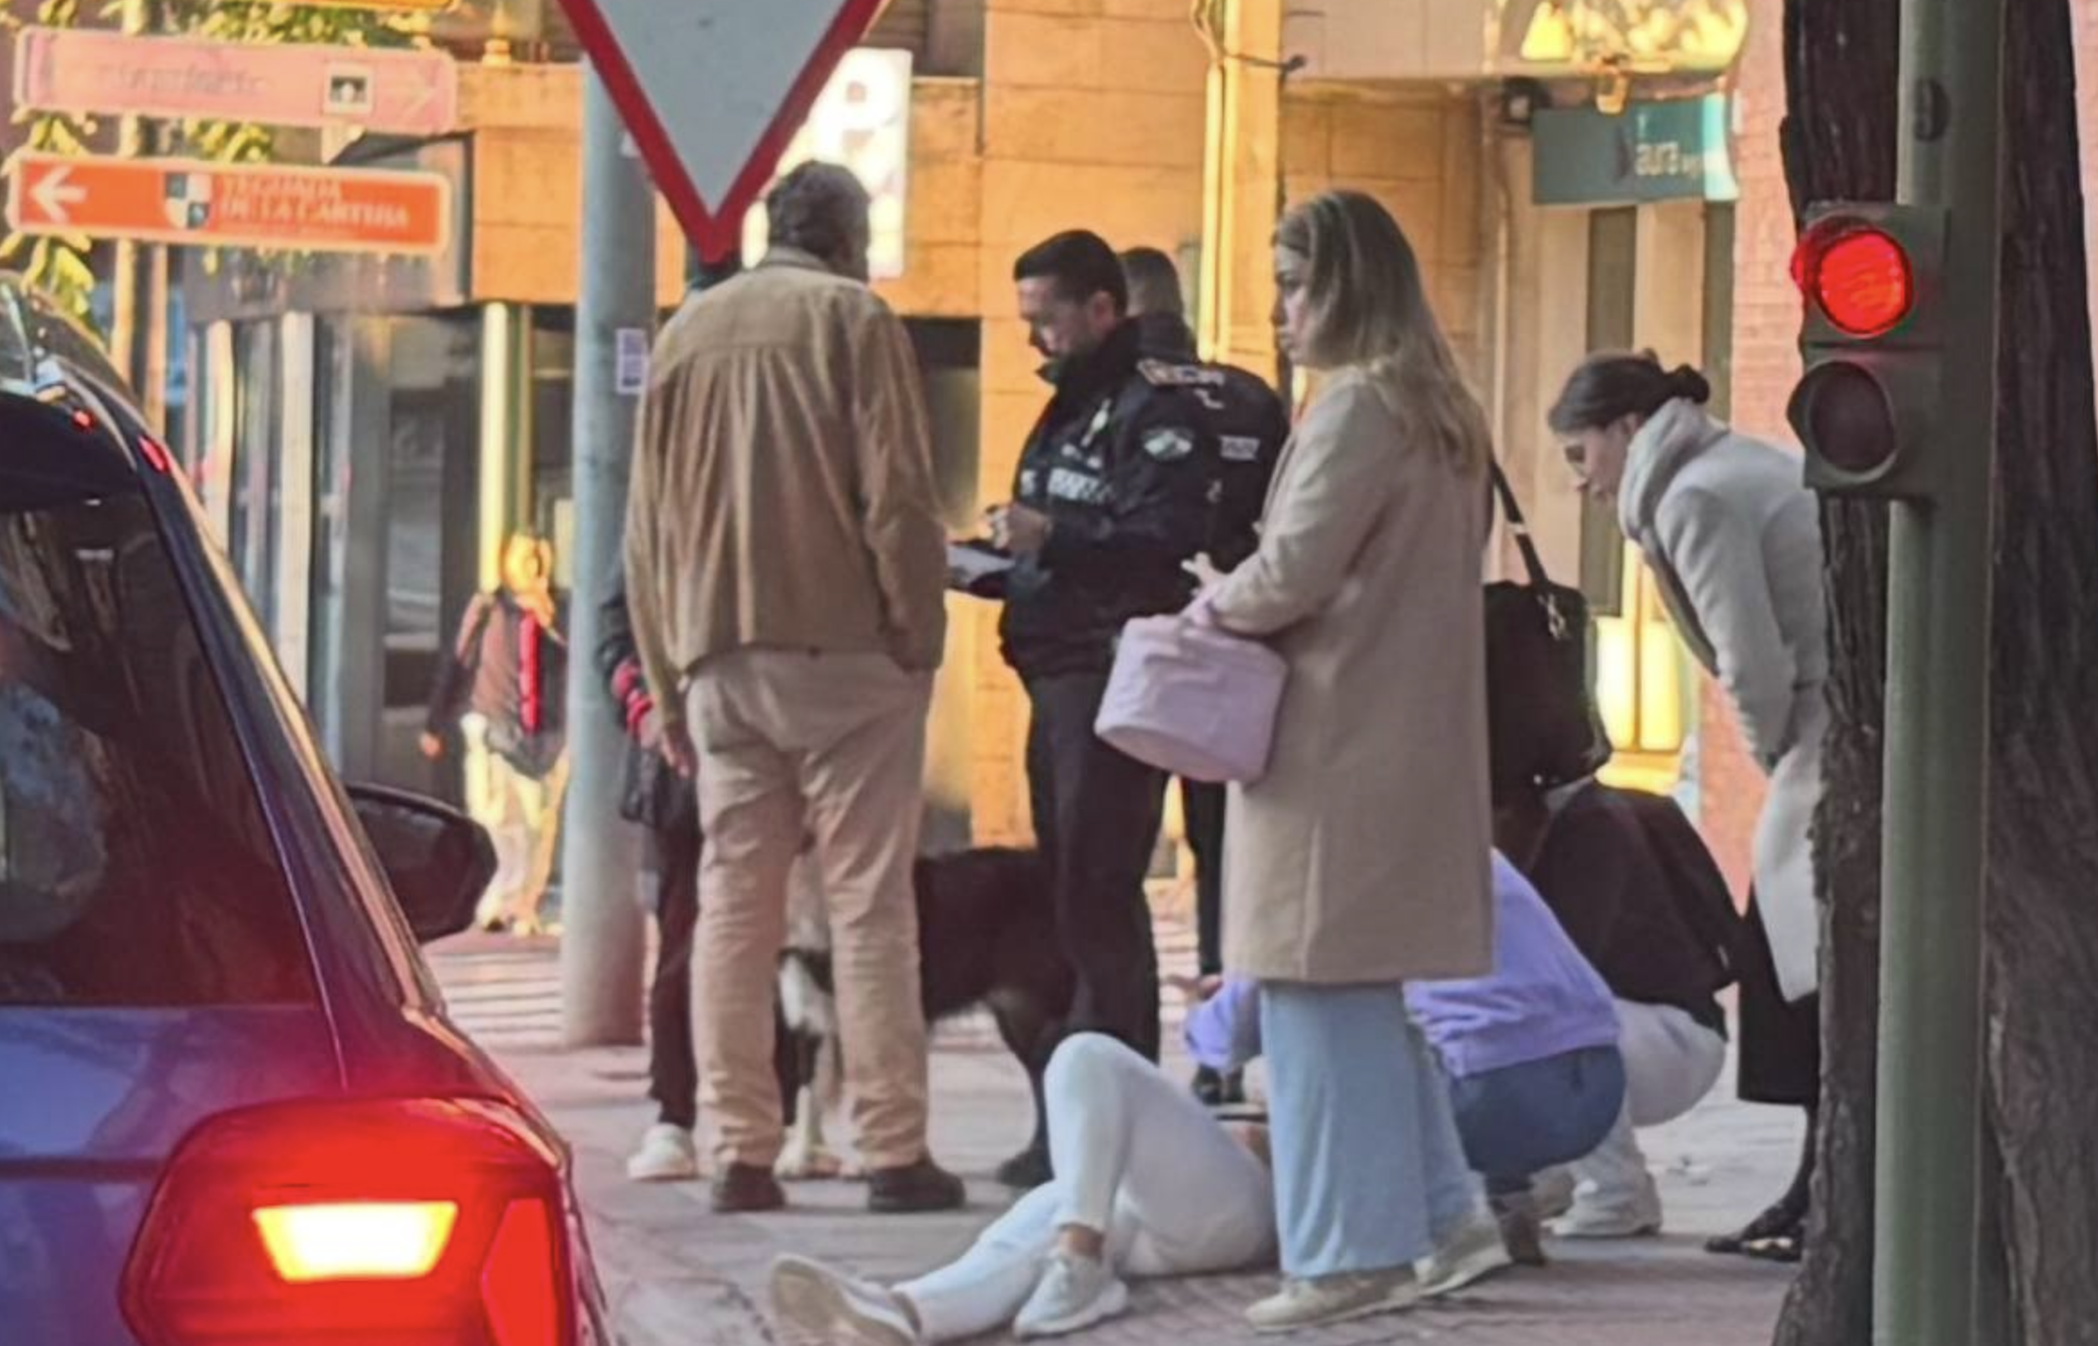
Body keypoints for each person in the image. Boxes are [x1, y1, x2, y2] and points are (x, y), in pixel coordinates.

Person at [623, 161, 962, 1215]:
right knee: (867, 905)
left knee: (735, 905)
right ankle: (892, 1148)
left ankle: (738, 1149)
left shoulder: (685, 335)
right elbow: (898, 498)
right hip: (850, 655)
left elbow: (644, 532)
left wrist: (670, 681)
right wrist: (919, 634)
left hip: (718, 658)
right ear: (852, 239)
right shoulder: (855, 321)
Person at [1189, 190, 1498, 1332]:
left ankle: (1346, 1252)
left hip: (1330, 742)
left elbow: (1291, 573)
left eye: (1296, 281)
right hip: (1408, 741)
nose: (1280, 308)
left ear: (1348, 286)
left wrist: (1216, 597)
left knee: (1314, 997)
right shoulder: (1442, 409)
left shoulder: (1355, 407)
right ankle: (1445, 1213)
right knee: (1362, 993)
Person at [1550, 349, 1827, 1261]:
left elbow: (1750, 658)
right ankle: (1816, 1178)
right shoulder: (1716, 469)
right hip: (1835, 717)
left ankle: (1821, 1181)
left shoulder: (1694, 498)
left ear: (1628, 431)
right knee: (1790, 947)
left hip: (1827, 725)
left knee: (1801, 956)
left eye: (1582, 455)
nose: (1583, 483)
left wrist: (1772, 748)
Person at [982, 230, 1218, 1074]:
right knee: (1068, 890)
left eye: (1047, 320)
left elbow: (1164, 539)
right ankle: (1080, 1099)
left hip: (1114, 672)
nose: (1036, 340)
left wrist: (1056, 536)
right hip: (1053, 668)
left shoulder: (1154, 408)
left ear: (1103, 309)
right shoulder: (1069, 404)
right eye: (1026, 322)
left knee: (1098, 886)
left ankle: (1117, 1090)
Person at [1187, 849, 1626, 1267]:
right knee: (1464, 1023)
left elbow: (1230, 1032)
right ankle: (1509, 1201)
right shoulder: (1469, 846)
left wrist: (1201, 1016)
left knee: (1309, 1036)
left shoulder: (1322, 868)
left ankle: (1390, 1239)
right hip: (1601, 1090)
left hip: (1495, 1097)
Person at [768, 1033, 1276, 1344]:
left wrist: (1224, 1002)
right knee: (1059, 1209)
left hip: (1257, 1184)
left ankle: (1082, 1253)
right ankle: (907, 1313)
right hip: (1187, 1206)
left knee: (1087, 1055)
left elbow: (1221, 1031)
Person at [1117, 245, 1290, 1109]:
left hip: (1138, 650)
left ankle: (1123, 1043)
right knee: (1228, 852)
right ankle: (1220, 1048)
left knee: (1116, 852)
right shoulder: (1251, 395)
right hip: (1235, 644)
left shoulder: (1123, 396)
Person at [597, 583, 802, 1183]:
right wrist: (650, 710)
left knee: (789, 945)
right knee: (690, 939)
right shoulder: (663, 496)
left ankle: (789, 1115)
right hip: (686, 754)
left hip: (789, 733)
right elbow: (617, 628)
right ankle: (676, 1115)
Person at [1497, 778, 1738, 1239]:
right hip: (1656, 1030)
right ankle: (1556, 1177)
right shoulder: (1576, 814)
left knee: (1540, 1026)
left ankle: (1617, 1191)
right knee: (1524, 1021)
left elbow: (1566, 967)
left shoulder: (1590, 824)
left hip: (1667, 1036)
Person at [422, 531, 569, 935]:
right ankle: (496, 901)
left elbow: (578, 656)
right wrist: (435, 722)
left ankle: (522, 904)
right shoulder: (489, 607)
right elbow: (458, 660)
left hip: (545, 731)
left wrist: (550, 618)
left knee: (537, 823)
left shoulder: (558, 609)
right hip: (494, 724)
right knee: (495, 816)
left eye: (538, 559)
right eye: (524, 559)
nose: (531, 568)